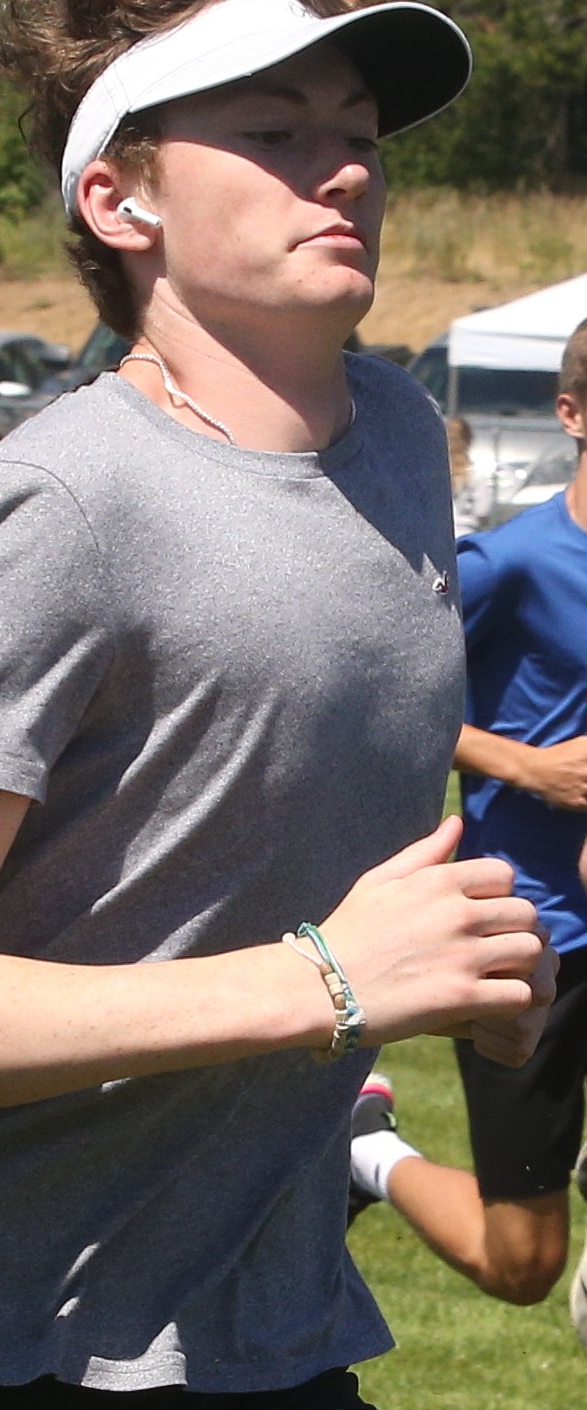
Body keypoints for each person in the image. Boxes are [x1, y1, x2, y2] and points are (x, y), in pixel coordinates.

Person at [0, 0, 555, 1410]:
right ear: (122, 203)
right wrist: (326, 977)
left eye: (358, 131)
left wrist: (451, 961)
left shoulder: (395, 437)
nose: (342, 165)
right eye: (269, 132)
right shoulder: (59, 504)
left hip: (269, 1332)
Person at [347, 317, 587, 1338]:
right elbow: (369, 699)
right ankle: (365, 1153)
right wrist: (523, 763)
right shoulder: (510, 564)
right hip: (535, 940)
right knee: (520, 1262)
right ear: (570, 414)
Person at [446, 416, 491, 536]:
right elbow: (482, 512)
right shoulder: (478, 474)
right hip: (464, 533)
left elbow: (482, 510)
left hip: (453, 533)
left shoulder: (435, 473)